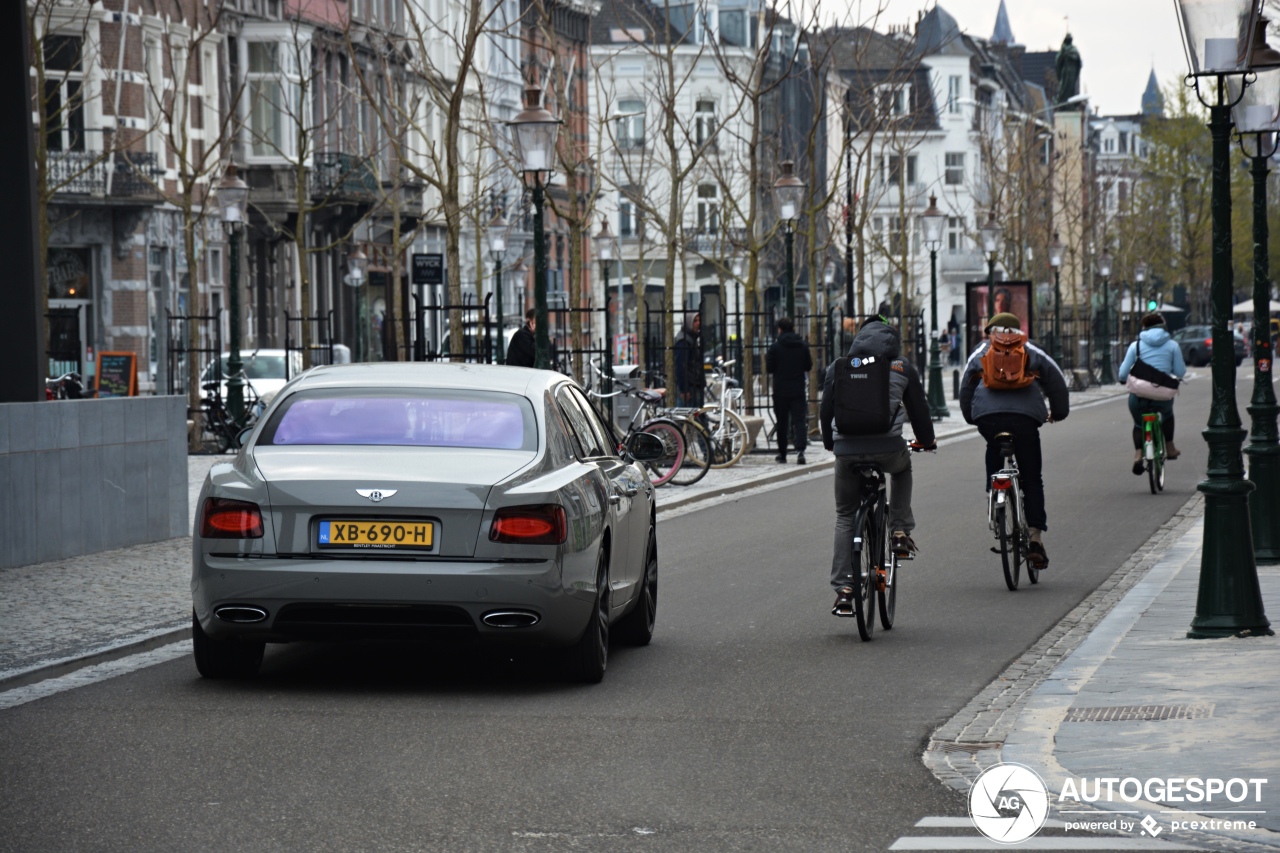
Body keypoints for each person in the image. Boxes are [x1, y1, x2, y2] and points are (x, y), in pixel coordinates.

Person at [820, 317, 936, 616]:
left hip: (847, 451)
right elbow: (919, 410)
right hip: (888, 449)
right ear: (892, 341)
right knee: (901, 469)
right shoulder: (901, 367)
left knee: (846, 514)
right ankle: (899, 531)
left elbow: (826, 410)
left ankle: (845, 589)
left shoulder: (839, 366)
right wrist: (926, 440)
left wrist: (831, 444)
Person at [960, 311, 1070, 570]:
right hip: (1025, 419)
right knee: (1032, 479)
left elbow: (966, 386)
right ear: (1017, 330)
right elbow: (1056, 382)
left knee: (993, 445)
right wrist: (1058, 413)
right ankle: (1034, 539)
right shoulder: (1029, 349)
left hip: (989, 418)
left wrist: (971, 417)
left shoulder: (980, 351)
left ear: (990, 331)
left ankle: (995, 491)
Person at [1117, 312, 1186, 473]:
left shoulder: (1136, 345)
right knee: (1167, 415)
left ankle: (1138, 453)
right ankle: (1169, 447)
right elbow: (1180, 371)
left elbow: (1122, 374)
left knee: (1138, 423)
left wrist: (1123, 379)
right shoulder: (1172, 345)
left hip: (1139, 396)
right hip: (1162, 395)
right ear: (1163, 326)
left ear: (1144, 327)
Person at [766, 317, 814, 464]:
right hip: (798, 388)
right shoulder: (803, 346)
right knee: (799, 420)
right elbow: (808, 366)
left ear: (779, 329)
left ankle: (783, 453)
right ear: (793, 328)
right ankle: (800, 451)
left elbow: (769, 368)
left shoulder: (775, 347)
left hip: (780, 389)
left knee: (782, 422)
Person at [673, 311, 706, 407]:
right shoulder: (684, 341)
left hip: (694, 384)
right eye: (695, 321)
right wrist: (684, 389)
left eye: (699, 320)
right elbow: (680, 366)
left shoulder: (691, 338)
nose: (698, 323)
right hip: (690, 386)